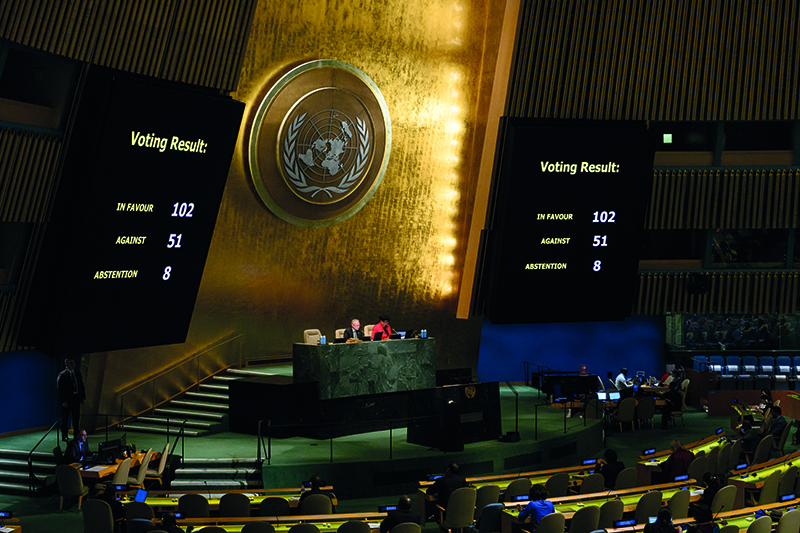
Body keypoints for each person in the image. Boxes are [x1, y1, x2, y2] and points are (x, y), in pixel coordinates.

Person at [57, 357, 86, 442]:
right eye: (70, 363)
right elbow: (60, 389)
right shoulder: (62, 375)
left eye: (73, 362)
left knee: (76, 419)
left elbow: (81, 386)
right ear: (66, 364)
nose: (73, 364)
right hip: (67, 401)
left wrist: (83, 398)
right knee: (65, 419)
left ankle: (76, 435)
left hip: (76, 399)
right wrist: (63, 401)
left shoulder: (77, 373)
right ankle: (64, 435)